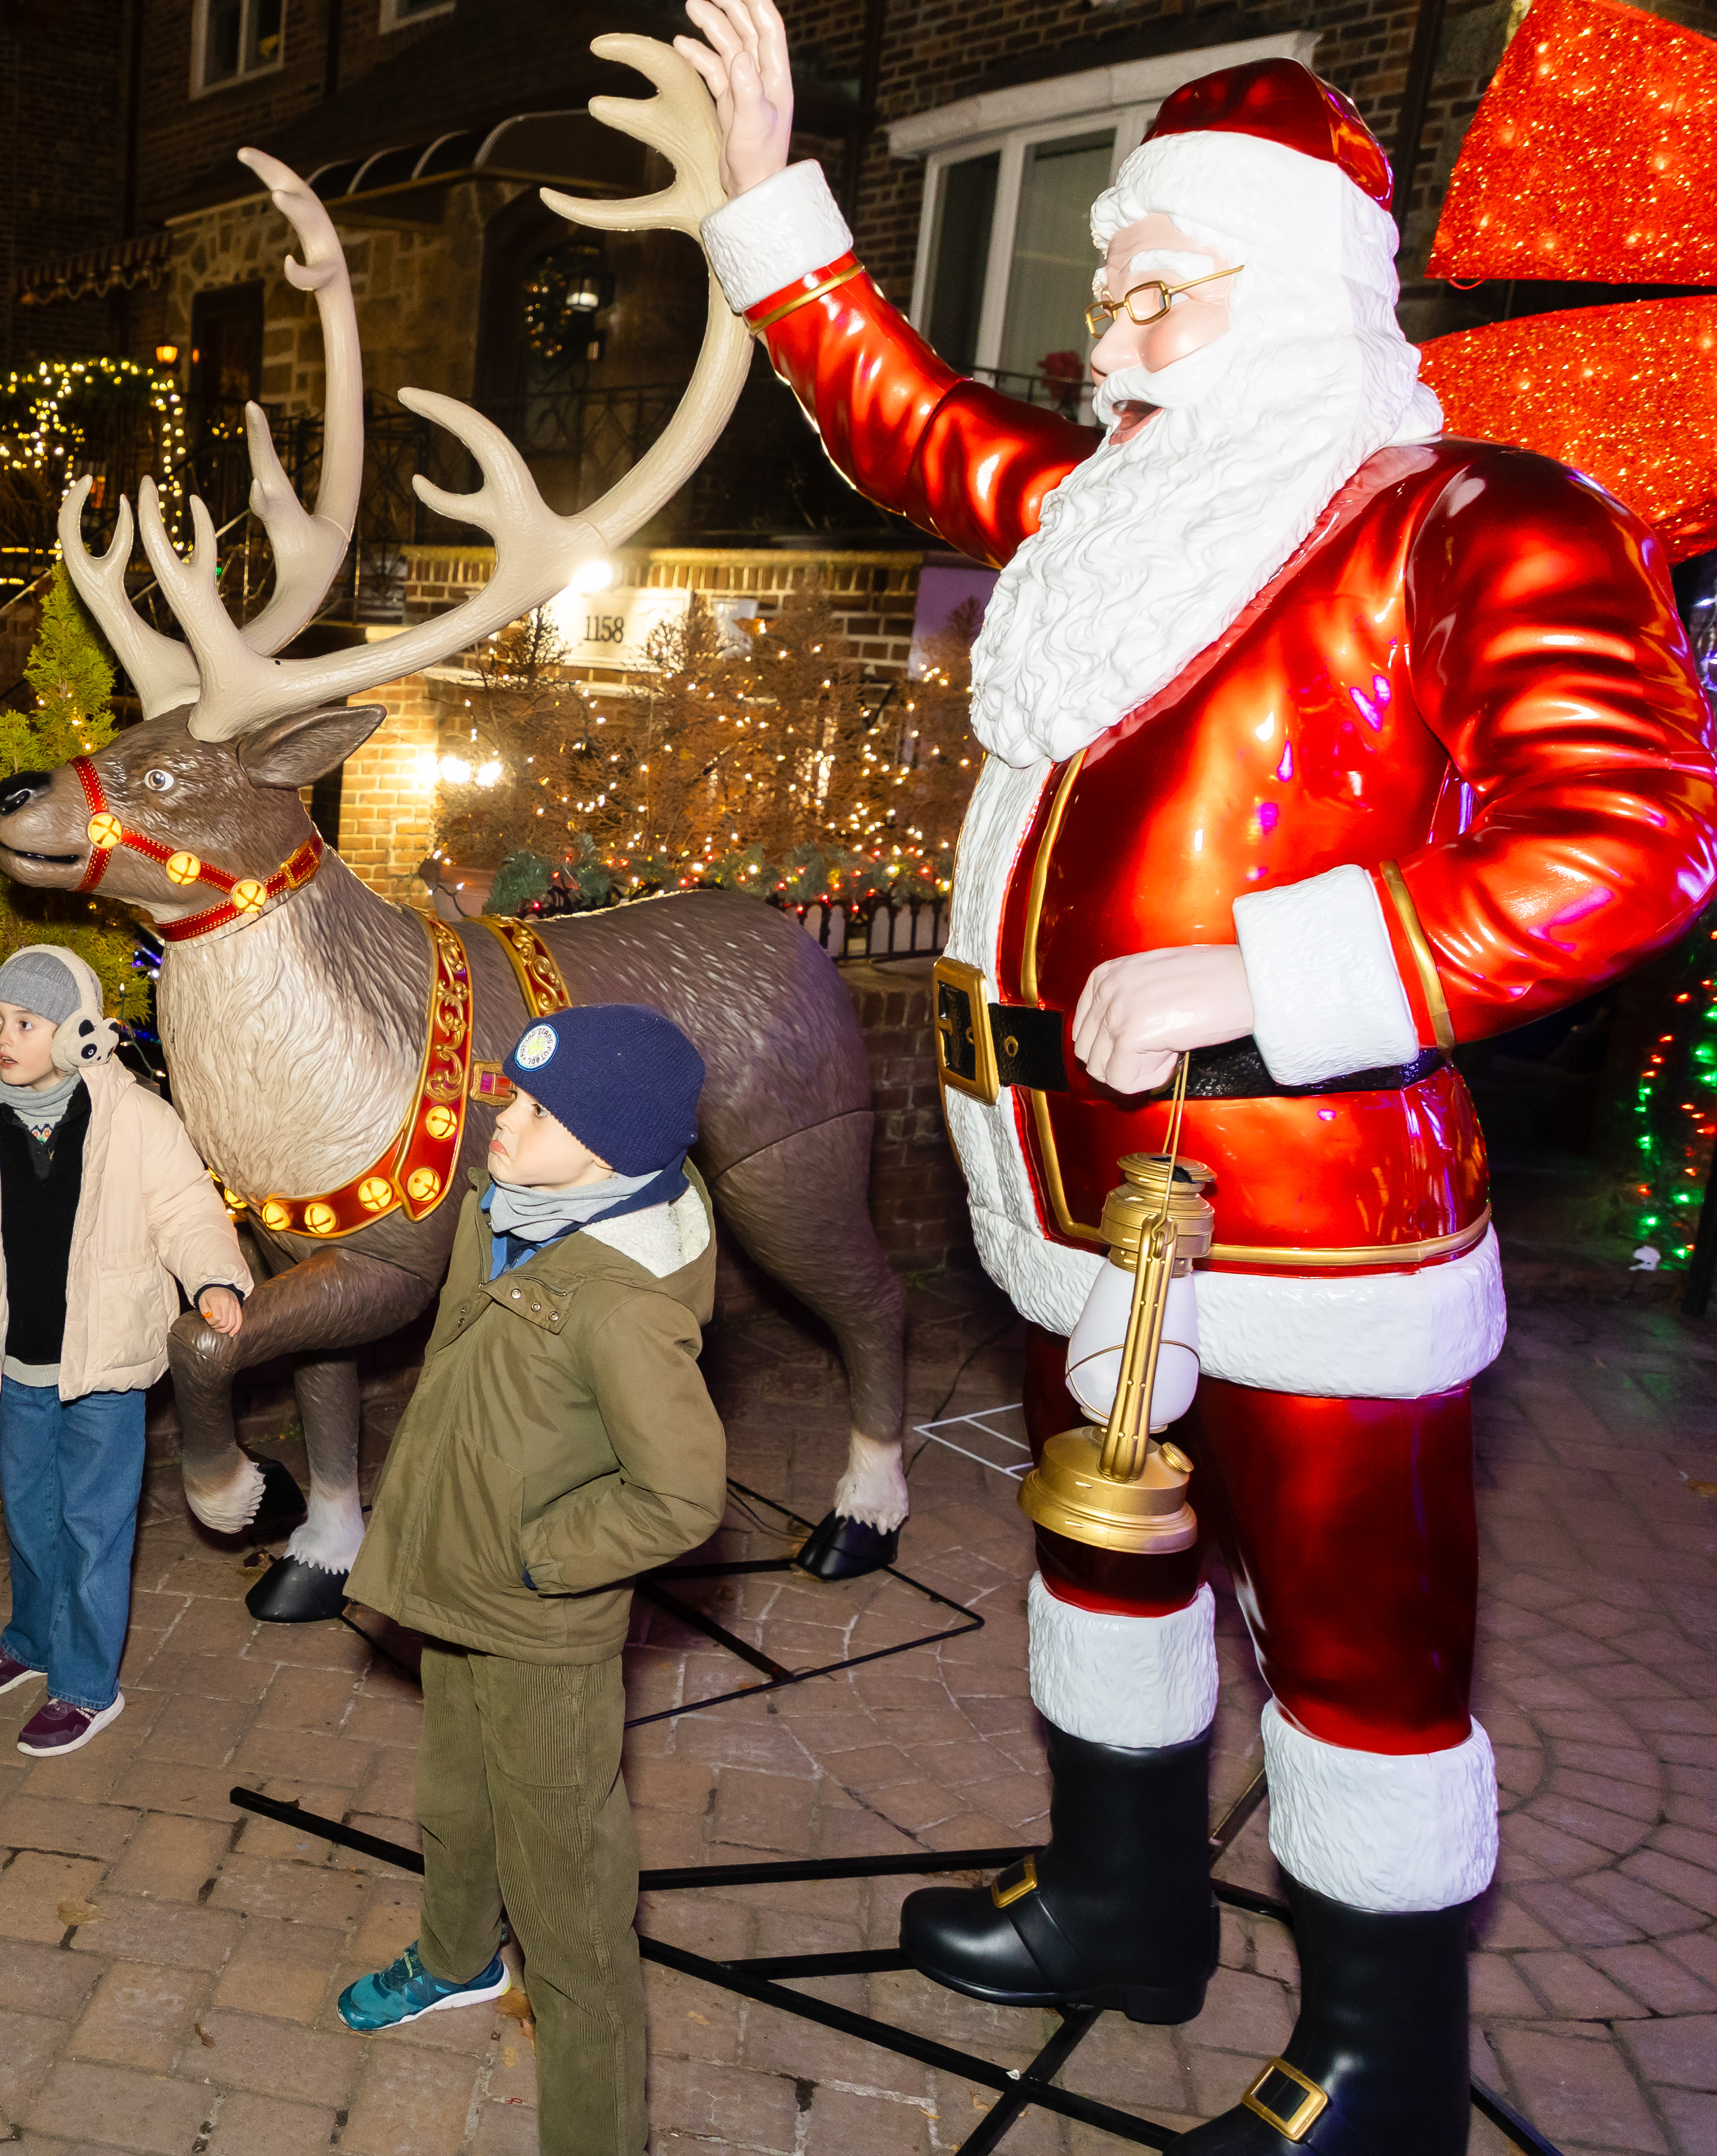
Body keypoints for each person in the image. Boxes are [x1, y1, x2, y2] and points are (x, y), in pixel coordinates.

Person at [678, 6, 1717, 2146]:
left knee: (1356, 1654)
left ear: (1317, 287)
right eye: (1112, 279)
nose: (1119, 318)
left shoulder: (1474, 522)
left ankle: (1383, 2061)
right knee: (1108, 1549)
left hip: (1313, 1221)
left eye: (1174, 275)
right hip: (1069, 1200)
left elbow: (1634, 839)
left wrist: (1267, 968)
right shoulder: (1108, 509)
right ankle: (1122, 1910)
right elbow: (909, 429)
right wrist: (768, 213)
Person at [332, 1006, 720, 2156]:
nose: (504, 1115)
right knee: (453, 1798)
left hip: (539, 1622)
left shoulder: (624, 1301)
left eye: (536, 1110)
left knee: (574, 1907)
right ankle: (455, 1958)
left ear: (605, 1155)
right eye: (515, 1093)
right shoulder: (511, 1209)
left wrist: (542, 1557)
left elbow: (683, 1494)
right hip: (454, 1578)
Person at [0, 945, 248, 1758]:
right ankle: (32, 1640)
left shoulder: (134, 1117)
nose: (5, 1036)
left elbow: (186, 1209)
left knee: (95, 1527)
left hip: (103, 1368)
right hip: (14, 1362)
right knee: (30, 1517)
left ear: (76, 1035)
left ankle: (88, 1685)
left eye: (27, 1022)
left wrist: (212, 1278)